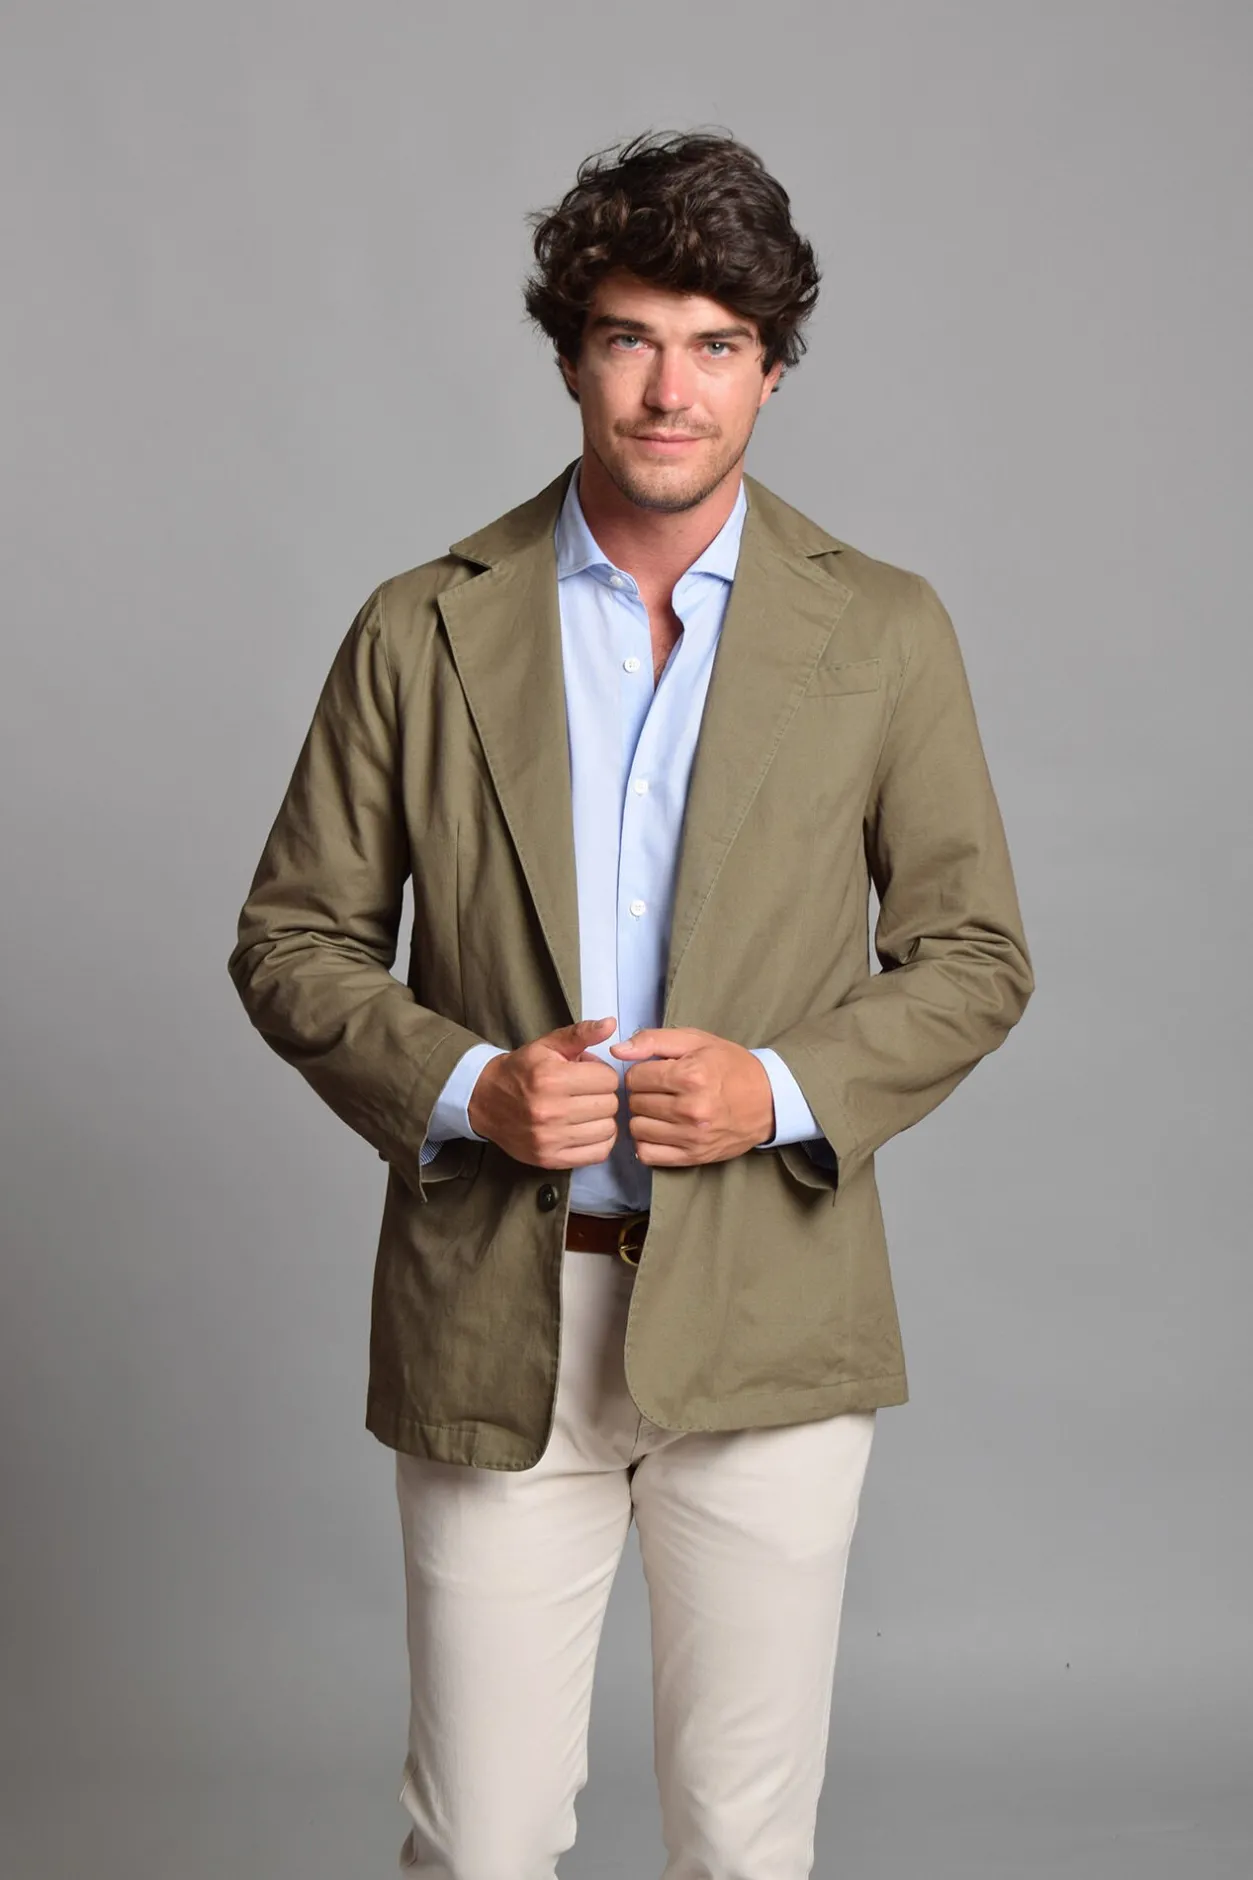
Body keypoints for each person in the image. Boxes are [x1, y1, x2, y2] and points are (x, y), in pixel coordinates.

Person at [227, 129, 1034, 1880]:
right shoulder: (421, 628)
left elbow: (975, 953)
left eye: (717, 343)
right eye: (630, 338)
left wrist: (776, 1089)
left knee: (745, 1847)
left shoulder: (885, 630)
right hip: (495, 1313)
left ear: (772, 364)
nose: (673, 389)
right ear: (572, 355)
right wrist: (470, 1089)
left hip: (771, 1312)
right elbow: (293, 939)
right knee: (481, 1841)